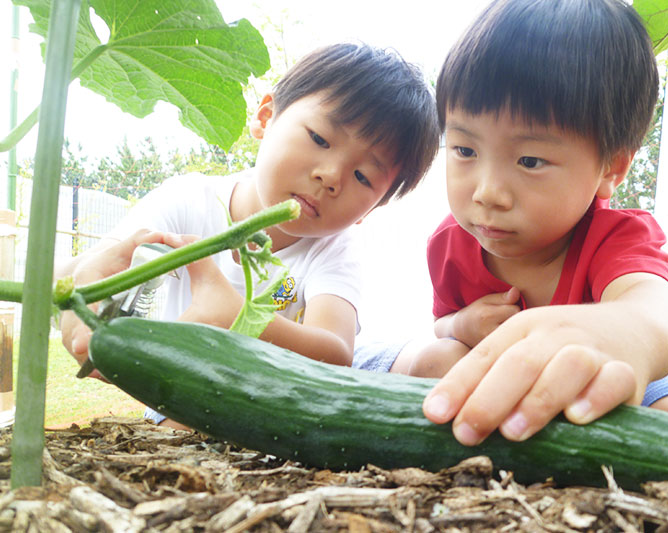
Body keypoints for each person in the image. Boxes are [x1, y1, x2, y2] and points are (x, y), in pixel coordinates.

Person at [354, 0, 668, 444]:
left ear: (611, 168)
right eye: (464, 151)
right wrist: (460, 326)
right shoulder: (450, 242)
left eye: (530, 160)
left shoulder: (616, 238)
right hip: (493, 385)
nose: (487, 192)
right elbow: (444, 319)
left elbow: (660, 309)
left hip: (609, 392)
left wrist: (625, 334)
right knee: (437, 359)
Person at [57, 42, 440, 428]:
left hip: (302, 386)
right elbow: (99, 266)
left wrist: (237, 316)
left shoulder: (335, 249)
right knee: (183, 428)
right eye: (320, 139)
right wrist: (84, 311)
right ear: (266, 116)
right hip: (193, 382)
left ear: (372, 209)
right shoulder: (187, 199)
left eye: (363, 177)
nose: (332, 176)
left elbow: (336, 355)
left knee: (440, 361)